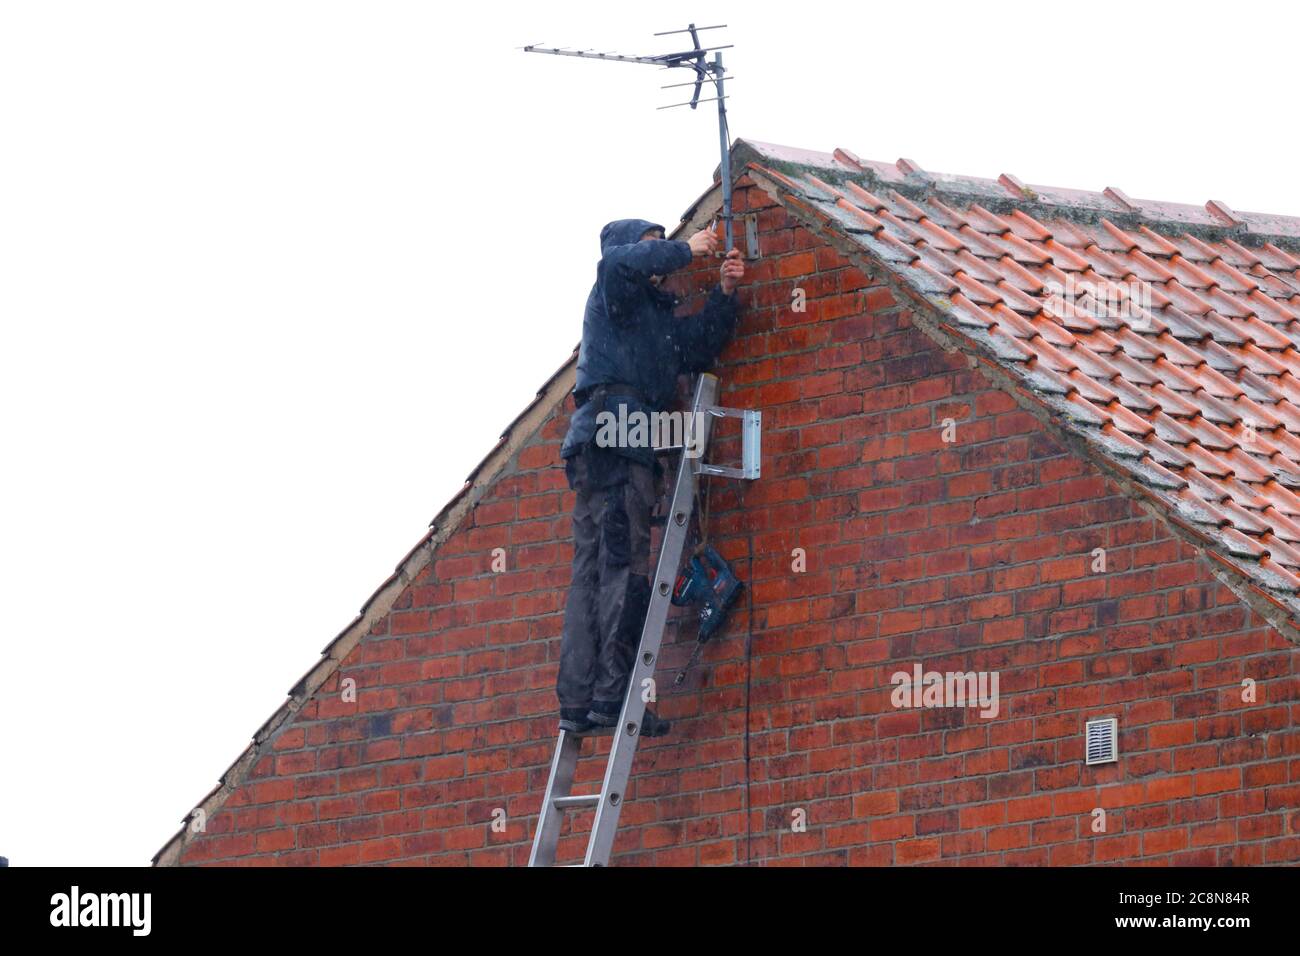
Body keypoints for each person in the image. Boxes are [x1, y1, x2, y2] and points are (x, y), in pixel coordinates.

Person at [555, 217, 745, 736]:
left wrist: (724, 293)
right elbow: (620, 262)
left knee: (593, 571)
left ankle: (579, 700)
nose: (660, 257)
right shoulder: (615, 288)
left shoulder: (650, 322)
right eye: (652, 248)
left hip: (605, 441)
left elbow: (696, 344)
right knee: (622, 569)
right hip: (618, 438)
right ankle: (611, 698)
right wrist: (689, 248)